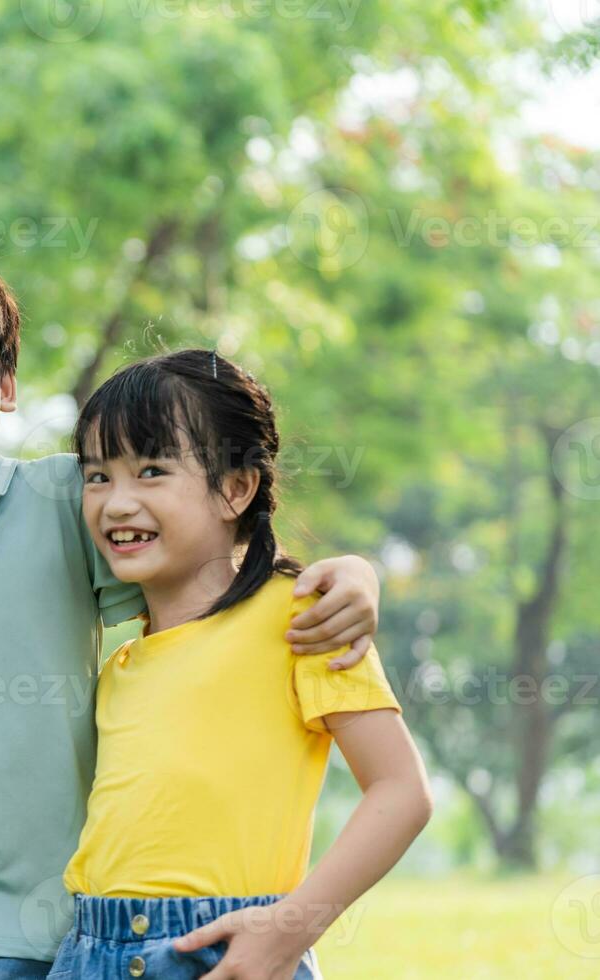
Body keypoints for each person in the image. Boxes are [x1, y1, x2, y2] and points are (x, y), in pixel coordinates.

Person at [0, 240, 387, 979]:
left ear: (6, 382)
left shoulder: (71, 501)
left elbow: (214, 558)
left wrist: (355, 574)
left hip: (28, 935)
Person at [49, 349, 432, 979]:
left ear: (235, 487)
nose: (116, 503)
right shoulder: (119, 662)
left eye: (150, 470)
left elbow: (402, 791)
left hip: (224, 951)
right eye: (98, 476)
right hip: (88, 949)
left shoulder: (305, 617)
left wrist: (288, 930)